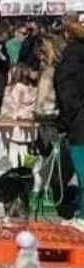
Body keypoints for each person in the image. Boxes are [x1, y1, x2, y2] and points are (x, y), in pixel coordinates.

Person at [54, 16, 84, 228]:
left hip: (80, 123)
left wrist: (65, 121)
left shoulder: (72, 57)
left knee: (82, 169)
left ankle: (83, 218)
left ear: (66, 35)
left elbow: (68, 94)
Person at [0, 64, 38, 167]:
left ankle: (14, 170)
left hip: (15, 124)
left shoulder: (14, 89)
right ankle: (28, 170)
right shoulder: (33, 89)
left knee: (13, 149)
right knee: (25, 149)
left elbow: (13, 105)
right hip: (28, 125)